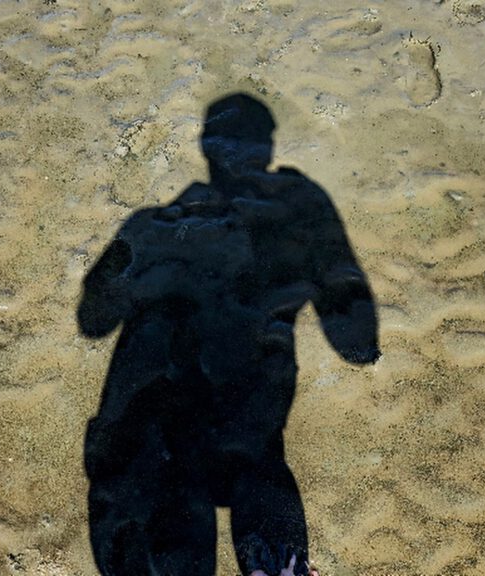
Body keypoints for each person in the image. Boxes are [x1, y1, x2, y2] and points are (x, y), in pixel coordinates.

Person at [78, 93, 380, 576]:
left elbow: (93, 321)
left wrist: (138, 263)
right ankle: (280, 568)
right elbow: (356, 341)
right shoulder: (297, 209)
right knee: (257, 460)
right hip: (252, 393)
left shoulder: (152, 226)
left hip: (164, 407)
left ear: (205, 147)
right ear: (267, 147)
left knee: (176, 488)